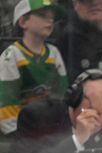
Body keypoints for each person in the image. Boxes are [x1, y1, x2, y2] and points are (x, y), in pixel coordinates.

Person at [7, 69, 102, 153]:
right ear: (75, 98)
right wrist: (77, 140)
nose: (100, 123)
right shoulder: (37, 117)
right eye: (97, 113)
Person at [0, 0, 67, 135]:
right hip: (20, 135)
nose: (50, 21)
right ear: (23, 22)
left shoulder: (54, 53)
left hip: (50, 132)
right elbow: (6, 104)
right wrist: (17, 136)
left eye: (52, 18)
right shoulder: (11, 56)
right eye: (42, 15)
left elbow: (62, 95)